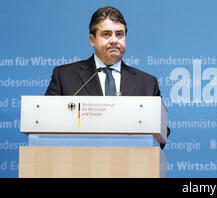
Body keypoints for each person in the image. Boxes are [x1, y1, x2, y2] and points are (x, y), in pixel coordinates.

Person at [45, 6, 169, 148]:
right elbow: (46, 122)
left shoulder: (147, 83)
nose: (114, 40)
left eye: (119, 34)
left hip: (131, 165)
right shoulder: (65, 76)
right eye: (106, 34)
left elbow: (162, 132)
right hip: (78, 162)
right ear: (92, 40)